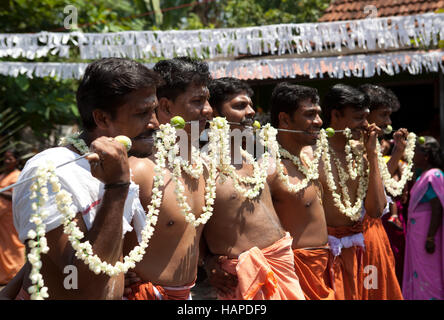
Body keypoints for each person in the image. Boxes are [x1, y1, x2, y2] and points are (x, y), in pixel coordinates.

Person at [11, 57, 162, 299]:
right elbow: (83, 285)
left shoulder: (112, 164)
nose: (155, 123)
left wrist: (120, 274)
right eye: (143, 113)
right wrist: (117, 187)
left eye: (154, 110)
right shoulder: (49, 171)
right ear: (102, 118)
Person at [203, 77, 305, 300]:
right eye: (240, 106)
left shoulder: (258, 158)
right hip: (242, 276)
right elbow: (191, 226)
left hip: (283, 264)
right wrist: (208, 261)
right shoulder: (203, 167)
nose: (250, 112)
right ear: (215, 115)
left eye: (250, 105)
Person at [123, 57, 213, 300]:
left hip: (188, 295)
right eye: (197, 101)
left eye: (207, 100)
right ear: (165, 108)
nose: (208, 110)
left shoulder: (201, 166)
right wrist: (113, 275)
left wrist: (214, 263)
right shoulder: (139, 169)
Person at [266, 82, 335, 300]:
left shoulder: (309, 160)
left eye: (319, 114)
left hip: (323, 266)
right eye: (310, 114)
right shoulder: (269, 168)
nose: (319, 122)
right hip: (294, 272)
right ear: (285, 119)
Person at [319, 83, 387, 300]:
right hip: (323, 257)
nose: (366, 125)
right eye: (359, 118)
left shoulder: (364, 155)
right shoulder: (311, 155)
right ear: (336, 115)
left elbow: (376, 209)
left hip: (360, 255)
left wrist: (372, 155)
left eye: (366, 117)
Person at [358, 84, 404, 300]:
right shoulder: (351, 148)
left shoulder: (371, 147)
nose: (388, 122)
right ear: (365, 115)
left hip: (375, 232)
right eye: (383, 115)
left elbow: (379, 183)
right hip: (357, 236)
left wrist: (397, 153)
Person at [403, 136, 444, 300]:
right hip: (418, 234)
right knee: (419, 271)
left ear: (426, 155)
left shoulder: (433, 175)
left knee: (428, 272)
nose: (412, 155)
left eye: (415, 151)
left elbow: (437, 207)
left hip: (427, 235)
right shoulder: (423, 175)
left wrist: (430, 237)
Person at [0, 149, 25, 287]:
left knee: (13, 245)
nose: (6, 161)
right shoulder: (3, 175)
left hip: (10, 217)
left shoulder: (18, 176)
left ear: (17, 160)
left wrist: (2, 192)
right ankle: (3, 276)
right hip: (1, 218)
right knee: (2, 247)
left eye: (10, 158)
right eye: (5, 158)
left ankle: (15, 274)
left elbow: (16, 196)